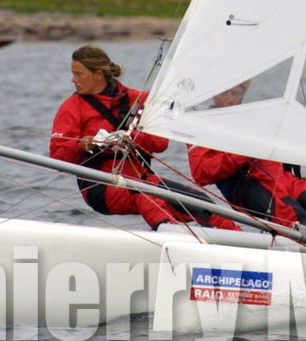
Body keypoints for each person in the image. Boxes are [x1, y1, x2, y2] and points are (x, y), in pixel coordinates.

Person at [50, 45, 237, 230]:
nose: (73, 80)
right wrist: (83, 145)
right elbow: (58, 158)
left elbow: (160, 144)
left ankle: (246, 242)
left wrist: (134, 135)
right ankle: (171, 236)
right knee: (146, 194)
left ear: (98, 73)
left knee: (201, 203)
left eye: (78, 74)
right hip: (100, 186)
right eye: (73, 73)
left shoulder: (139, 99)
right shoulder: (71, 108)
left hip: (143, 179)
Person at [187, 81, 306, 233]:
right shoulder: (202, 125)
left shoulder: (254, 119)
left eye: (236, 93)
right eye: (224, 93)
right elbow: (201, 173)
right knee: (293, 219)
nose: (230, 99)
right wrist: (242, 152)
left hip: (281, 178)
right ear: (214, 95)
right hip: (249, 185)